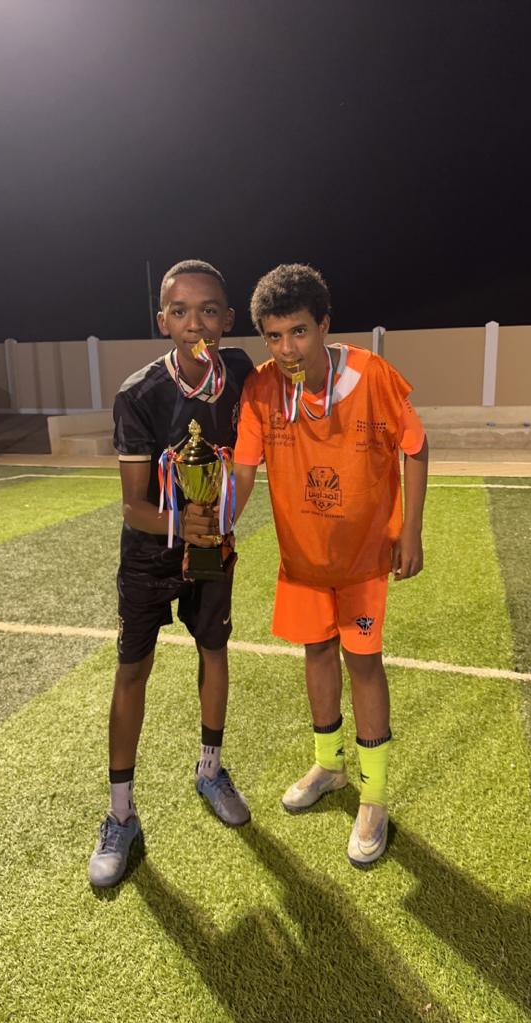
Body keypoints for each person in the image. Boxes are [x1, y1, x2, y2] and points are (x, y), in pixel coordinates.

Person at [232, 264, 428, 867]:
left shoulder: (372, 375)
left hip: (364, 559)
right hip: (303, 561)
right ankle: (328, 765)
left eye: (298, 331)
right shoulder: (260, 388)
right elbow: (243, 470)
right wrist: (217, 524)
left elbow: (416, 447)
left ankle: (374, 797)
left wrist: (411, 531)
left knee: (363, 663)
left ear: (324, 325)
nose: (287, 349)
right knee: (316, 653)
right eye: (273, 336)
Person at [89, 259, 253, 888]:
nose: (195, 323)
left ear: (227, 319)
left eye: (208, 310)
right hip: (151, 554)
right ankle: (120, 815)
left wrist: (217, 524)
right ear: (163, 321)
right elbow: (134, 506)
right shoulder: (139, 394)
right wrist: (185, 526)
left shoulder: (240, 374)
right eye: (180, 311)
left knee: (215, 650)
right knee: (133, 669)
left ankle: (210, 770)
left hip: (213, 550)